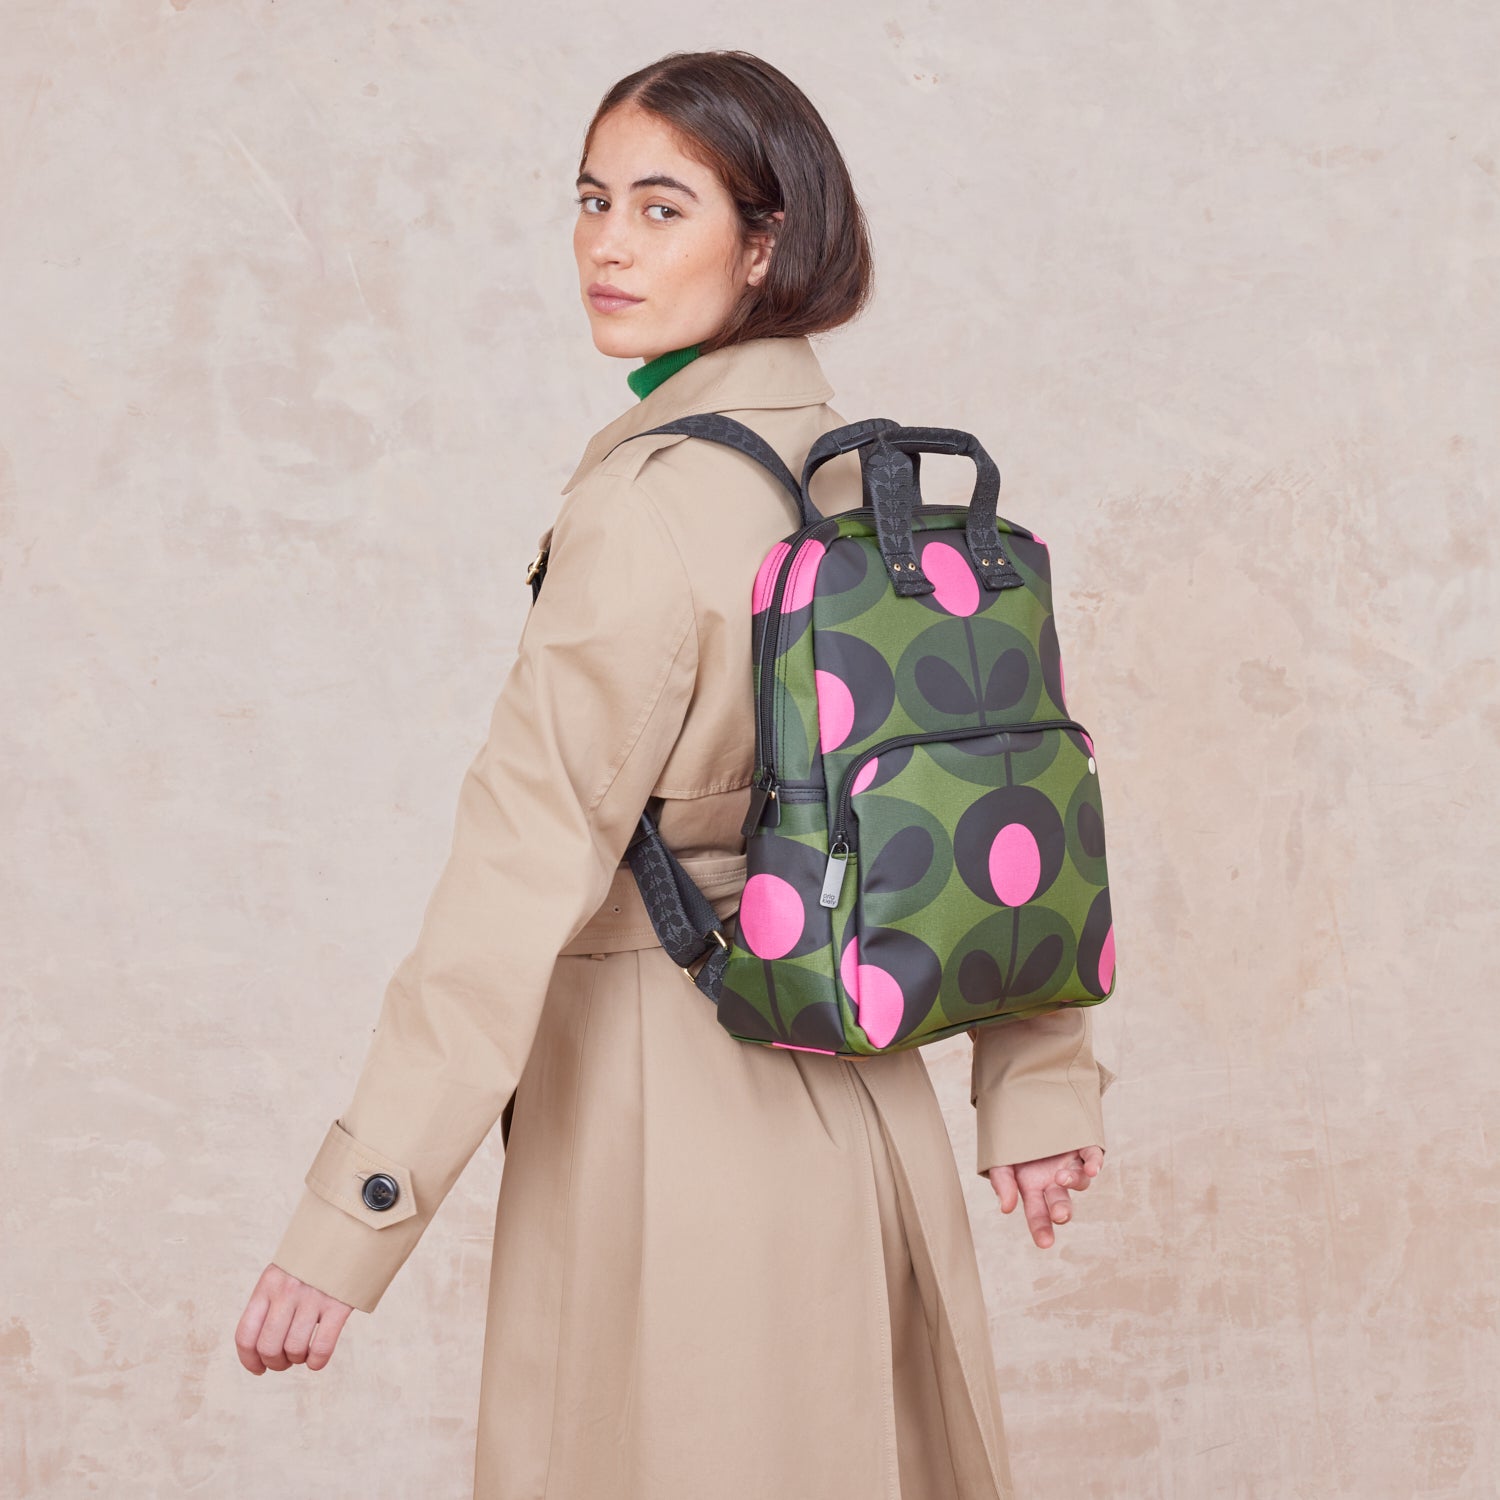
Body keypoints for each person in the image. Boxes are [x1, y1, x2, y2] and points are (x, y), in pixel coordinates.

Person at [234, 48, 1116, 1500]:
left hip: (675, 1129)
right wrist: (1038, 1093)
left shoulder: (649, 509)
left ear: (766, 243)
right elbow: (1005, 794)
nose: (605, 245)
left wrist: (360, 1210)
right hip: (868, 1105)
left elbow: (520, 869)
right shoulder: (880, 491)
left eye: (660, 207)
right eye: (592, 202)